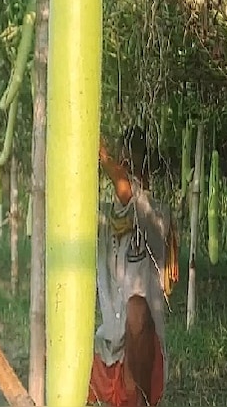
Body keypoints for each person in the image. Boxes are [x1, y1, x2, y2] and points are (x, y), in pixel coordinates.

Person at [91, 129, 178, 407]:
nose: (126, 167)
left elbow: (127, 190)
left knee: (137, 308)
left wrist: (103, 156)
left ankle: (139, 401)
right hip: (107, 343)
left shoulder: (154, 212)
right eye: (123, 160)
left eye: (131, 162)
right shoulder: (107, 214)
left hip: (141, 358)